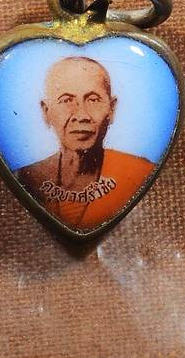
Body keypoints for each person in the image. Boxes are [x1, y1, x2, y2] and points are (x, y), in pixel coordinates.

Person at [16, 56, 154, 230]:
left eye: (93, 100)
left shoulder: (140, 172)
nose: (81, 115)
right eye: (66, 100)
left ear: (112, 109)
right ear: (46, 112)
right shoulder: (26, 178)